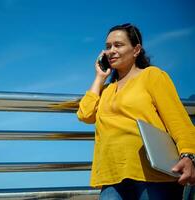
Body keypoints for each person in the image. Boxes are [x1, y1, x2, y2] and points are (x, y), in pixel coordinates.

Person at [77, 23, 195, 199]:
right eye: (108, 47)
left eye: (118, 45)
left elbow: (177, 119)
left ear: (136, 49)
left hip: (152, 175)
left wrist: (189, 155)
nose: (111, 51)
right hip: (111, 176)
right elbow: (85, 114)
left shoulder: (152, 76)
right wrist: (100, 77)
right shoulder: (107, 89)